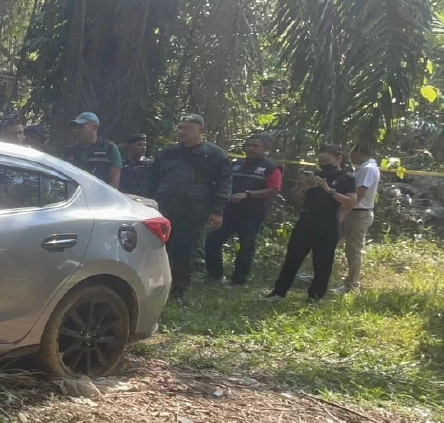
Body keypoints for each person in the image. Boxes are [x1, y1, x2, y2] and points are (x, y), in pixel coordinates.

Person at [146, 114, 232, 304]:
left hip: (193, 210)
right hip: (164, 209)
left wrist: (217, 210)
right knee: (158, 250)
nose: (182, 132)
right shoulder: (167, 153)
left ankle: (178, 292)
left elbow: (224, 183)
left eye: (188, 128)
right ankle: (156, 288)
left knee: (184, 251)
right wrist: (150, 203)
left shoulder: (214, 154)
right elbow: (153, 180)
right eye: (180, 128)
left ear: (201, 130)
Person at [267, 145, 357, 302]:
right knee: (292, 258)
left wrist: (328, 190)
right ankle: (278, 293)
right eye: (321, 160)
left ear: (339, 158)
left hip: (328, 222)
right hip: (306, 220)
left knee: (322, 261)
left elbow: (351, 203)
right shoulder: (315, 175)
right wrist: (305, 188)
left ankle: (314, 297)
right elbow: (297, 201)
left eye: (327, 160)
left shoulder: (346, 178)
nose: (323, 163)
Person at [204, 134, 282, 286]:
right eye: (249, 145)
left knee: (246, 247)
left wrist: (248, 194)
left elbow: (273, 190)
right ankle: (215, 275)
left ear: (265, 149)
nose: (251, 149)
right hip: (229, 212)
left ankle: (238, 281)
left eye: (256, 146)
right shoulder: (236, 165)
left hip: (252, 214)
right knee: (212, 242)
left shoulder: (271, 168)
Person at [336, 143, 380, 293]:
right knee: (330, 243)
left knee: (353, 249)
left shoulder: (367, 170)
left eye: (353, 153)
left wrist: (344, 211)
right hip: (353, 211)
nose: (351, 156)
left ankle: (352, 285)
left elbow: (359, 194)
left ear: (361, 153)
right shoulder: (362, 169)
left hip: (358, 213)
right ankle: (319, 273)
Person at [63, 112, 122, 188]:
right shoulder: (70, 151)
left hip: (100, 197)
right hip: (75, 197)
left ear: (95, 127)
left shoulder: (109, 149)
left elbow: (114, 181)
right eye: (75, 127)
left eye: (81, 127)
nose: (76, 131)